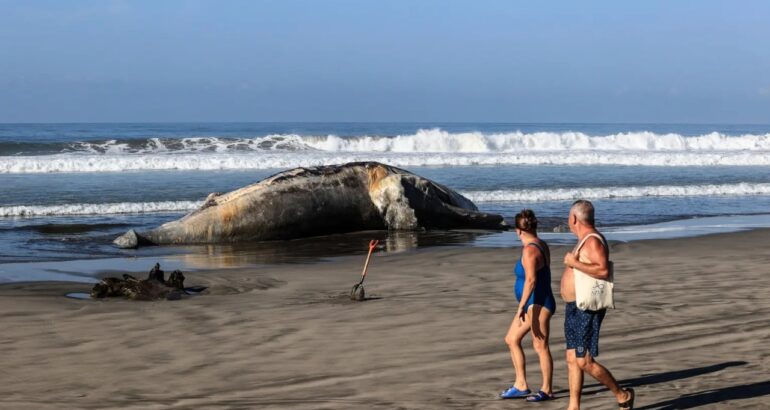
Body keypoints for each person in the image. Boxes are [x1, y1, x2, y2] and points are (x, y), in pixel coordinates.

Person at [561, 200, 635, 410]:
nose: (568, 221)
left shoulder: (593, 241)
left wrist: (573, 263)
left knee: (584, 360)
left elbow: (603, 271)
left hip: (587, 308)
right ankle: (573, 406)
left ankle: (622, 395)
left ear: (574, 218)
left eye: (569, 217)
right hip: (574, 306)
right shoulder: (584, 239)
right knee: (571, 357)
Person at [501, 209, 555, 402]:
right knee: (511, 339)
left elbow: (531, 281)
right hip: (533, 303)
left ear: (518, 231)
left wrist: (521, 305)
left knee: (540, 345)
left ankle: (547, 390)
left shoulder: (530, 250)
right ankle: (521, 385)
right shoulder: (540, 244)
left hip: (538, 303)